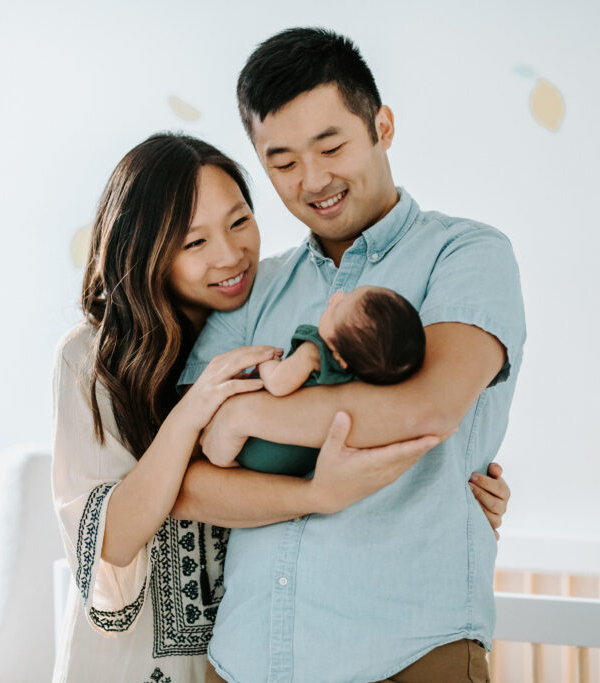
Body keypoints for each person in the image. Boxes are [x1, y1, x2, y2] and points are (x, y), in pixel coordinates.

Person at [51, 133, 510, 683]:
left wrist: (450, 490)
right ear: (144, 250)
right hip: (139, 657)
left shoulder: (265, 312)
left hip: (238, 647)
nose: (229, 254)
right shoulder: (93, 355)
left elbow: (365, 422)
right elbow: (111, 536)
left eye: (240, 222)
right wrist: (195, 413)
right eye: (194, 243)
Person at [174, 28, 526, 683]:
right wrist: (318, 490)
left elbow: (427, 407)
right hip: (243, 659)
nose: (313, 180)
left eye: (330, 145)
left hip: (411, 653)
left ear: (381, 126)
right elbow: (185, 479)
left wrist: (241, 416)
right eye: (281, 162)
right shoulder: (256, 287)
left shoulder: (466, 254)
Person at [234, 285, 426, 475]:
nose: (337, 296)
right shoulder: (362, 377)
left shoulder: (314, 353)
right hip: (298, 462)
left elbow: (277, 384)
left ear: (340, 357)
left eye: (337, 308)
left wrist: (269, 362)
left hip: (260, 449)